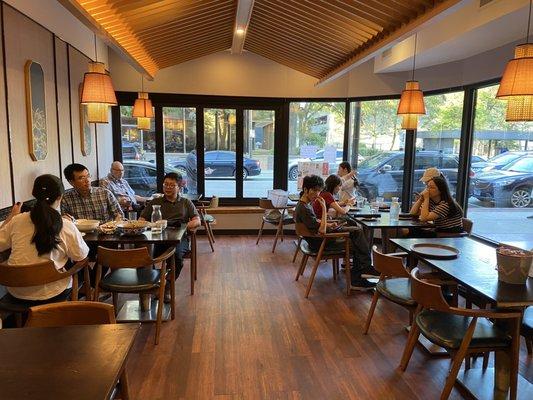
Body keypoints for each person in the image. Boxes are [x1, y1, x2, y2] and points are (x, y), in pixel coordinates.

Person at [0, 175, 89, 300]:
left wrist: (11, 217)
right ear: (60, 197)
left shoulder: (17, 221)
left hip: (17, 290)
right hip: (52, 290)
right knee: (77, 263)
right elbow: (81, 256)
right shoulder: (65, 224)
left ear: (34, 194)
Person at [294, 175, 377, 291]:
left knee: (353, 228)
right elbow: (321, 230)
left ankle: (363, 271)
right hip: (321, 243)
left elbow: (315, 222)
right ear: (305, 189)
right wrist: (324, 209)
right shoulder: (304, 208)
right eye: (314, 190)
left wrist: (329, 224)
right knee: (357, 238)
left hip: (316, 239)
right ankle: (359, 277)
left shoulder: (303, 204)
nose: (317, 194)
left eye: (319, 190)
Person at [139, 172, 201, 278]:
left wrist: (184, 227)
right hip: (156, 238)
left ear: (179, 187)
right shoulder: (155, 202)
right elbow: (141, 219)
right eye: (165, 184)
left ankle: (167, 286)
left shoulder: (186, 202)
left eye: (172, 185)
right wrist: (149, 224)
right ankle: (151, 283)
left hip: (178, 239)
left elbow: (197, 220)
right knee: (141, 256)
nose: (168, 187)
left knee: (177, 258)